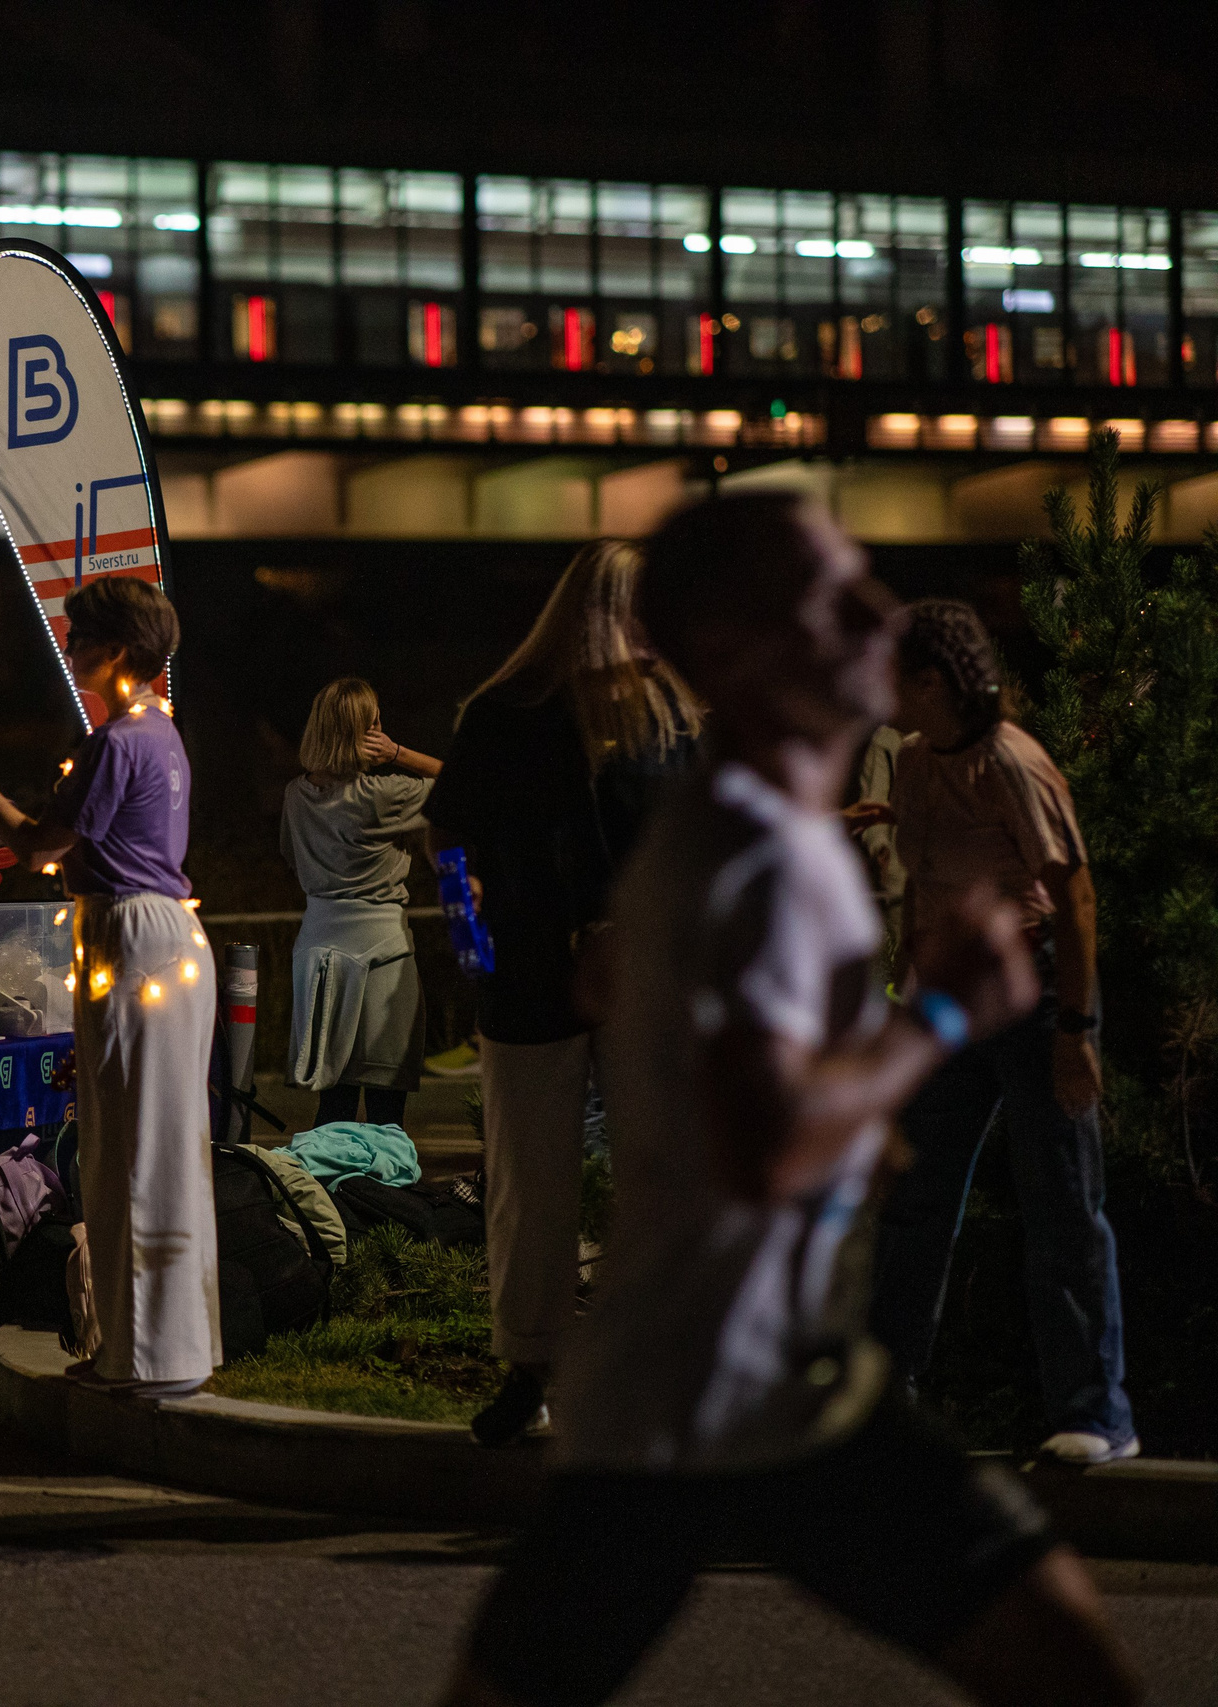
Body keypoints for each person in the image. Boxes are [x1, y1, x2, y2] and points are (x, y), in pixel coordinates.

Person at [445, 491, 1140, 1707]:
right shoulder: (755, 856)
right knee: (1063, 1663)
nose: (880, 613)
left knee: (1061, 1655)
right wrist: (939, 1018)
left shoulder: (766, 836)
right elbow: (762, 1145)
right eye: (833, 597)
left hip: (775, 1383)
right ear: (727, 653)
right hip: (694, 1400)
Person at [424, 538, 702, 1448]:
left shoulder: (626, 715)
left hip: (569, 976)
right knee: (581, 1182)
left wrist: (480, 945)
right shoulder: (619, 717)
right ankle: (571, 1364)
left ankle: (563, 1367)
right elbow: (453, 835)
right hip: (581, 976)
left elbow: (449, 839)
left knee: (565, 1181)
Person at [863, 600, 1136, 1466]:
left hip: (1031, 990)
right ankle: (884, 1403)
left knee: (1061, 1202)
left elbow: (1075, 893)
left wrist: (1075, 1028)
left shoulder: (1012, 763)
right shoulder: (912, 760)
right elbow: (922, 882)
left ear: (933, 681)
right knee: (914, 1200)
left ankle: (1097, 1415)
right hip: (950, 1006)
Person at [0, 577, 217, 1397]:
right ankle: (173, 1346)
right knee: (165, 1144)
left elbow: (39, 845)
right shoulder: (162, 735)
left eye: (82, 635)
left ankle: (136, 1356)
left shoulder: (116, 741)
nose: (68, 646)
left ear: (120, 650)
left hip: (127, 935)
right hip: (170, 937)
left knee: (127, 1148)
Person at [282, 676, 443, 1130]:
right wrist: (398, 753)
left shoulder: (296, 796)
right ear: (364, 733)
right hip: (381, 952)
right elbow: (465, 782)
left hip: (316, 949)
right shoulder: (383, 794)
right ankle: (385, 1196)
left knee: (332, 1102)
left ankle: (329, 1196)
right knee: (384, 1104)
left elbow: (291, 859)